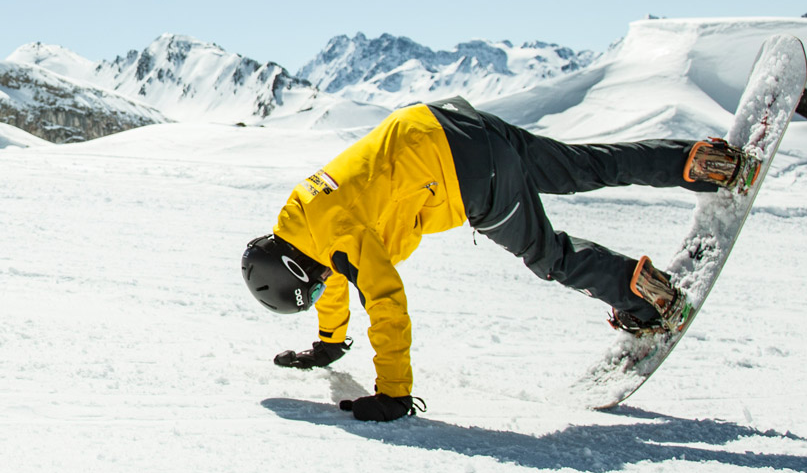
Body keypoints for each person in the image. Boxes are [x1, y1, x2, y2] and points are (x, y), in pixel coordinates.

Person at [242, 100, 752, 421]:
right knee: (584, 166)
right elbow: (334, 279)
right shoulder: (306, 220)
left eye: (305, 294)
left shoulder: (334, 236)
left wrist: (394, 393)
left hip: (467, 175)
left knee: (547, 254)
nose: (317, 293)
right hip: (452, 122)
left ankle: (641, 294)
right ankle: (701, 163)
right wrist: (328, 346)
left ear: (294, 270)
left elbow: (385, 298)